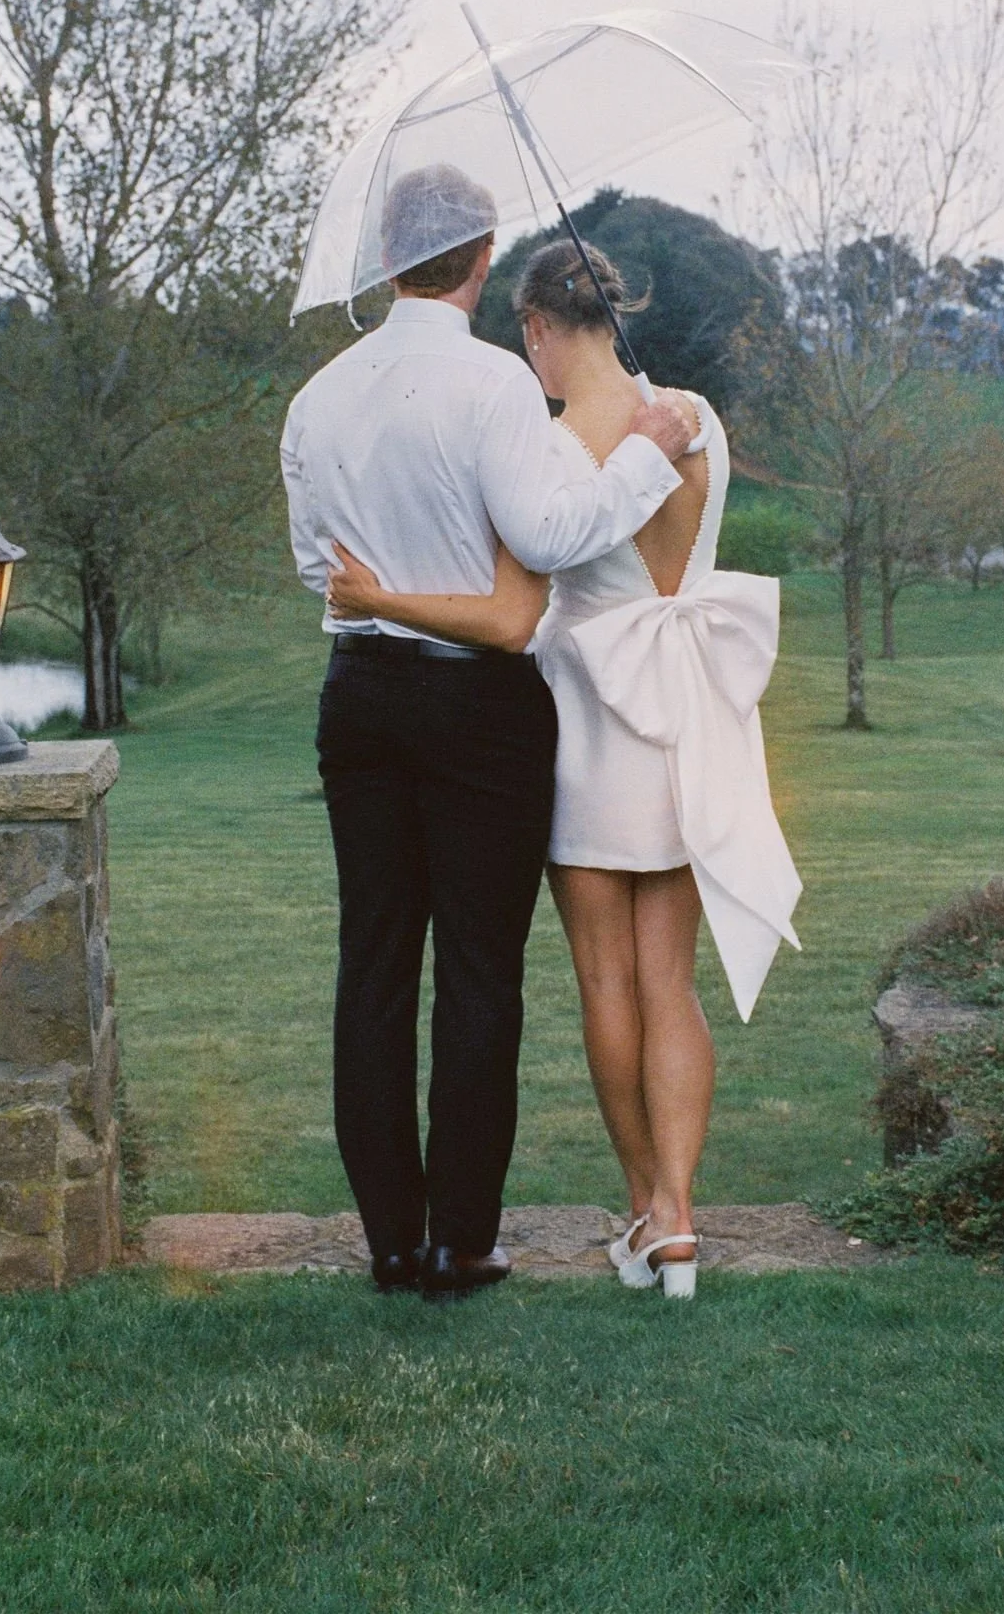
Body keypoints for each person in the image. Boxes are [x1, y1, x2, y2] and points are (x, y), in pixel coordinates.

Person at [327, 236, 802, 1299]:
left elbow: (515, 606)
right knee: (667, 982)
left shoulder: (550, 444)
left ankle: (640, 1204)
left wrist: (374, 599)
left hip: (591, 717)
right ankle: (676, 1221)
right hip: (690, 713)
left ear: (538, 328)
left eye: (524, 339)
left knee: (604, 979)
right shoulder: (690, 417)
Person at [280, 165, 696, 1301]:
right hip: (476, 705)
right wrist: (649, 447)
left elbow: (315, 566)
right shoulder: (494, 384)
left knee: (370, 964)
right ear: (479, 257)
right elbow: (553, 530)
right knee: (476, 970)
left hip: (357, 693)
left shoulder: (315, 397)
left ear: (386, 256)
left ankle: (388, 1241)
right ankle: (460, 1242)